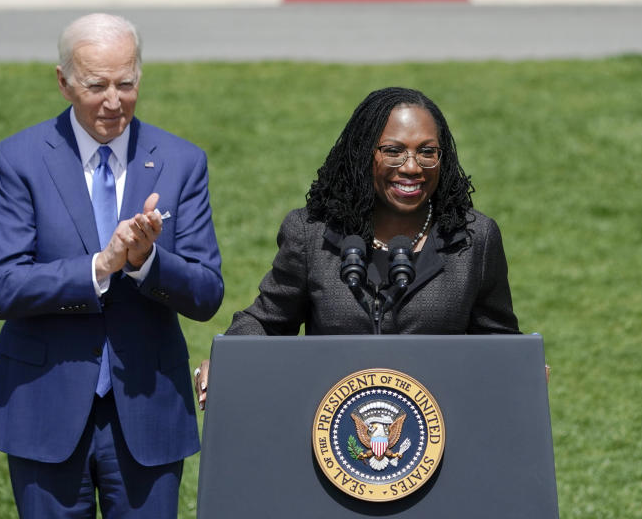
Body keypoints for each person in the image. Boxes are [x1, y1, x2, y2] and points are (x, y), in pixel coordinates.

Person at [0, 13, 224, 517]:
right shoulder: (20, 159)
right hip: (44, 406)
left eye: (126, 83)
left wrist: (146, 262)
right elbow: (3, 286)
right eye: (96, 85)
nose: (114, 101)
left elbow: (206, 292)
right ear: (64, 82)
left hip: (148, 411)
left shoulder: (181, 161)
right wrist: (101, 265)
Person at [195, 86, 519, 407]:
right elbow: (268, 321)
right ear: (364, 154)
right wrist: (227, 358)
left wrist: (523, 367)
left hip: (440, 432)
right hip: (333, 436)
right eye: (393, 150)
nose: (411, 166)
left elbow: (497, 338)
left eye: (427, 151)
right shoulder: (313, 234)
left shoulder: (474, 239)